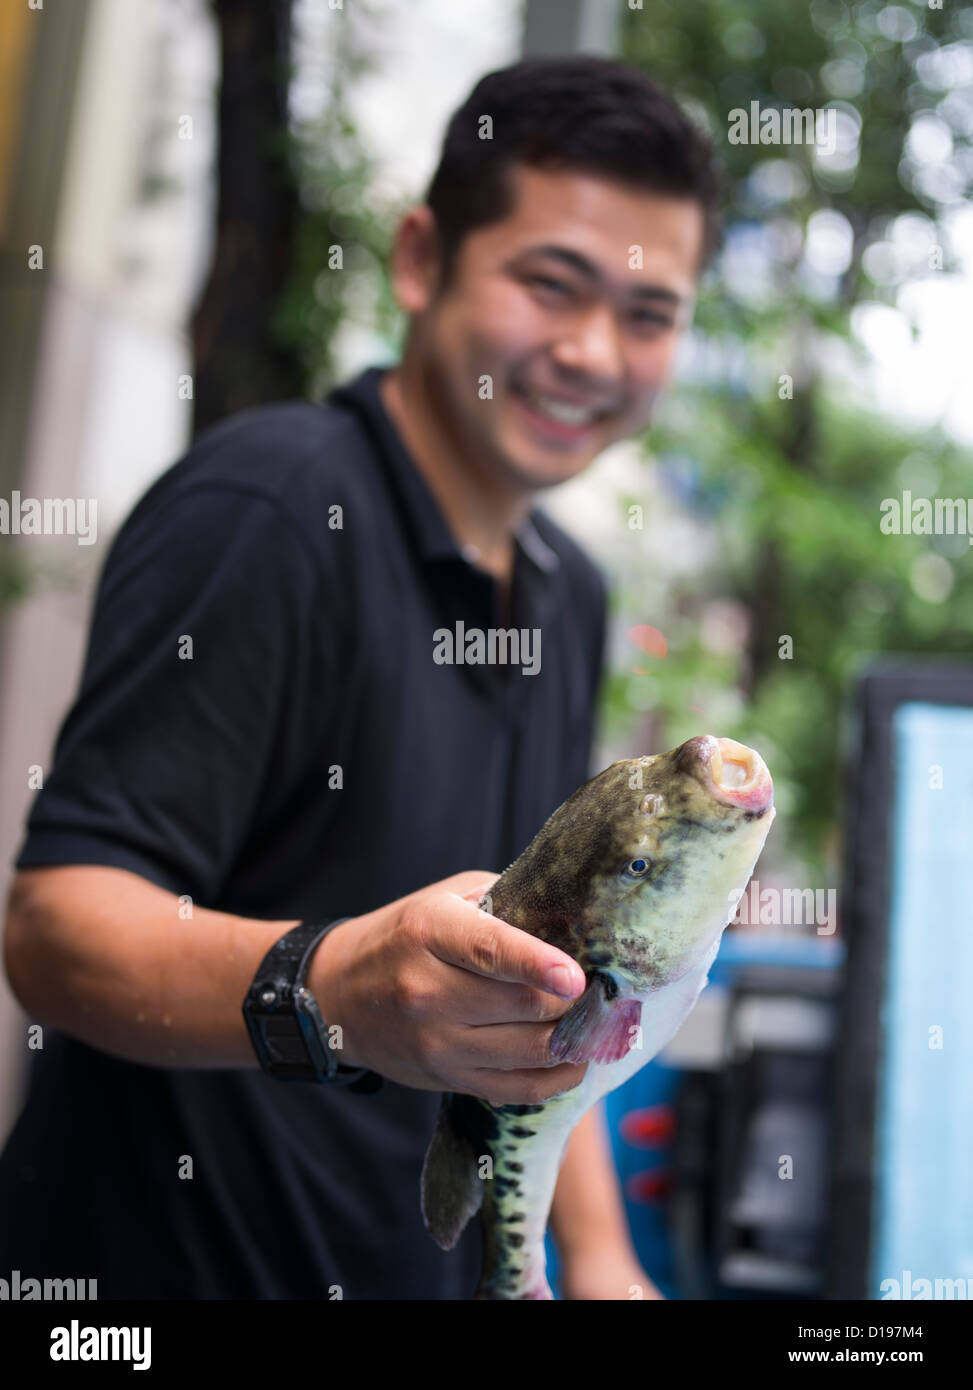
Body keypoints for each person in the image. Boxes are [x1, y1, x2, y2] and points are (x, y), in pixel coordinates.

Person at [0, 55, 720, 1300]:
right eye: (552, 284)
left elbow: (565, 973)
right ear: (420, 260)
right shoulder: (270, 507)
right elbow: (57, 924)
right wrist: (330, 986)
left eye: (648, 314)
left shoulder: (567, 588)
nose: (593, 350)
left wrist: (600, 1261)